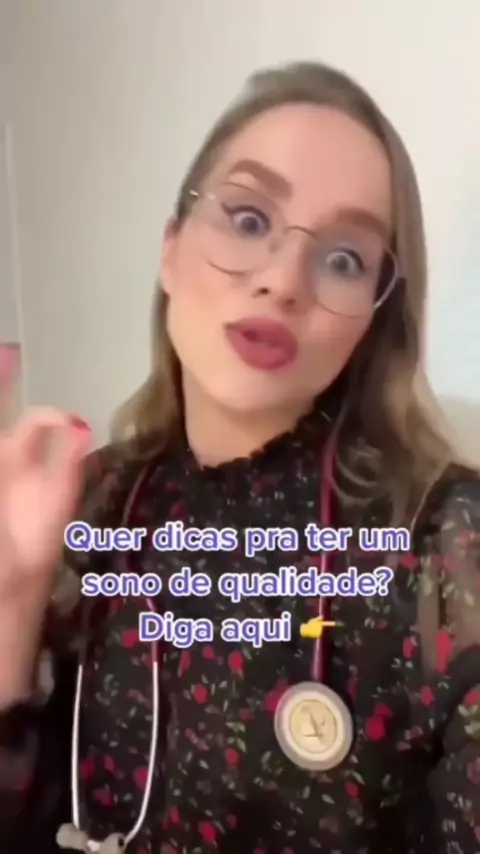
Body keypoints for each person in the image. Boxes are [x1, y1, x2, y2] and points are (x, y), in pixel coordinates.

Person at [0, 60, 479, 854]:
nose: (283, 282)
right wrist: (12, 596)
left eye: (345, 259)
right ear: (170, 250)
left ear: (372, 319)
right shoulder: (88, 502)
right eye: (250, 218)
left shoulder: (447, 545)